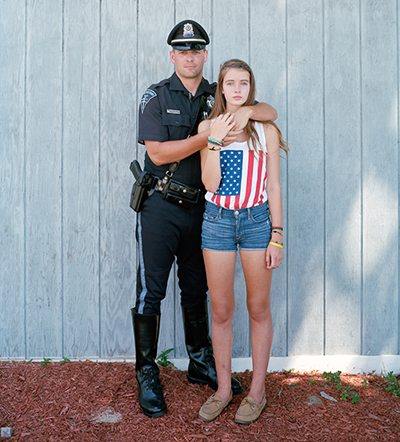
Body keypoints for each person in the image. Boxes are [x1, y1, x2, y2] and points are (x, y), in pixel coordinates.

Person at [132, 21, 278, 418]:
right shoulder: (157, 96)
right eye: (183, 50)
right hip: (161, 206)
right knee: (151, 291)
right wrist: (209, 134)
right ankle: (146, 372)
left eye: (197, 49)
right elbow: (159, 154)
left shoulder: (218, 93)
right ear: (172, 55)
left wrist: (245, 113)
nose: (190, 56)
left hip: (204, 209)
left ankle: (201, 363)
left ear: (205, 55)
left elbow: (267, 111)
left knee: (197, 290)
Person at [197, 59, 288, 424]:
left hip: (255, 222)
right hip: (217, 221)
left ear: (251, 88)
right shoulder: (208, 126)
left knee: (257, 307)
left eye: (244, 83)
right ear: (220, 88)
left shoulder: (265, 128)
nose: (237, 89)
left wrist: (277, 236)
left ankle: (256, 392)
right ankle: (222, 389)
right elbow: (210, 184)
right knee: (221, 309)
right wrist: (215, 141)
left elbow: (273, 185)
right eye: (230, 83)